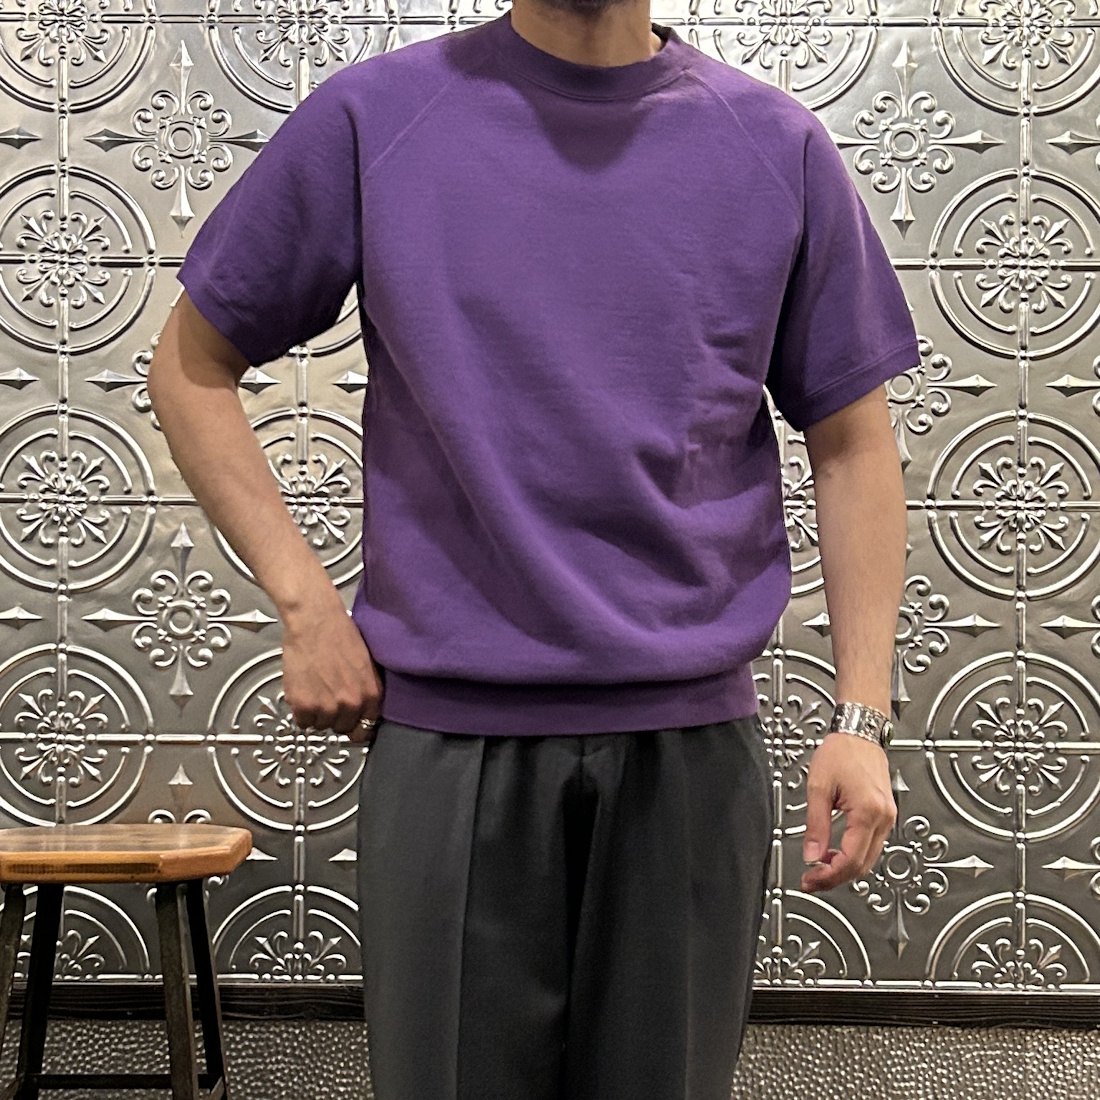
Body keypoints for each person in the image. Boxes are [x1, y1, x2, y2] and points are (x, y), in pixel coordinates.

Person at [148, 0, 915, 1095]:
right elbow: (189, 368)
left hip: (689, 755)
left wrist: (860, 717)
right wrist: (305, 605)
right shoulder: (376, 119)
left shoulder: (773, 143)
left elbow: (852, 443)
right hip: (448, 746)